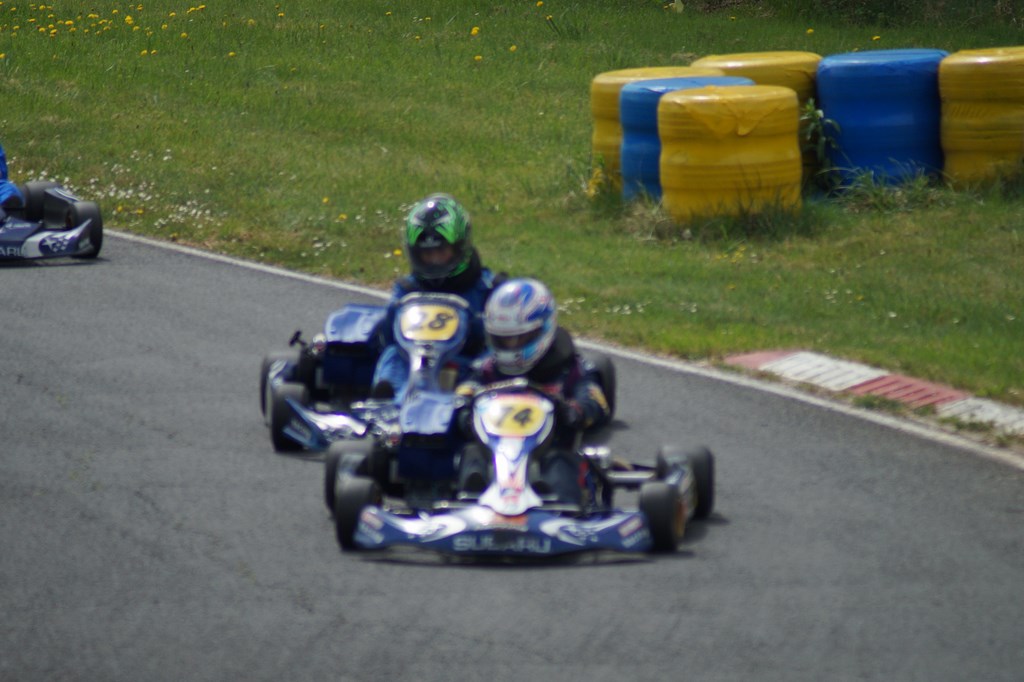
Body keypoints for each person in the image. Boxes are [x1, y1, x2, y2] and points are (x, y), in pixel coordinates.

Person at [457, 278, 612, 504]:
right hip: (494, 452)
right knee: (471, 454)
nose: (510, 346)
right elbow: (464, 393)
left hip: (550, 451)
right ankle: (470, 501)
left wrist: (573, 411)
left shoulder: (570, 368)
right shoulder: (486, 368)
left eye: (518, 339)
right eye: (503, 340)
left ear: (543, 330)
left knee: (559, 463)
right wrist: (463, 410)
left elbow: (595, 402)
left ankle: (559, 506)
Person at [370, 193, 503, 400]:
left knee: (493, 360)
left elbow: (503, 340)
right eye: (427, 254)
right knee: (392, 355)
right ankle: (389, 401)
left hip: (466, 364)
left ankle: (466, 401)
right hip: (414, 363)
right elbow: (388, 336)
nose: (434, 261)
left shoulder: (488, 288)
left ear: (461, 246)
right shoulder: (407, 289)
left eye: (441, 252)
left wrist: (477, 324)